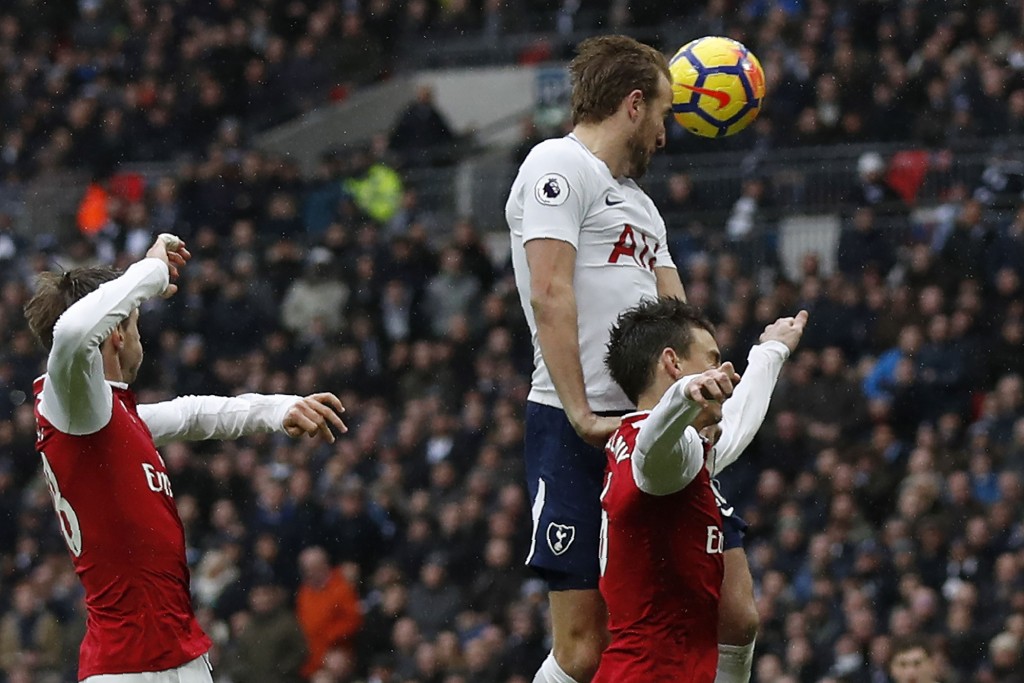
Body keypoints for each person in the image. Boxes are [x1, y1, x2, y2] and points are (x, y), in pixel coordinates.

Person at [22, 235, 347, 683]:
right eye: (134, 323)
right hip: (126, 669)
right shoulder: (73, 406)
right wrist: (151, 272)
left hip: (177, 656)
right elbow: (74, 332)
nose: (139, 338)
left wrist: (278, 409)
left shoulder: (113, 418)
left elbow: (194, 413)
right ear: (116, 332)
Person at [505, 34, 685, 683]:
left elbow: (679, 319)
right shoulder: (558, 165)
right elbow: (550, 291)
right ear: (633, 104)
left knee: (711, 615)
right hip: (571, 426)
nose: (664, 135)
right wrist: (581, 411)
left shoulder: (642, 205)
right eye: (662, 114)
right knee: (583, 646)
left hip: (649, 429)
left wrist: (704, 394)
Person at [594, 298, 807, 681]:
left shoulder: (678, 451)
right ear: (673, 364)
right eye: (711, 360)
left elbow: (735, 427)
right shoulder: (660, 455)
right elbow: (654, 447)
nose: (722, 372)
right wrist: (686, 393)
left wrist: (770, 352)